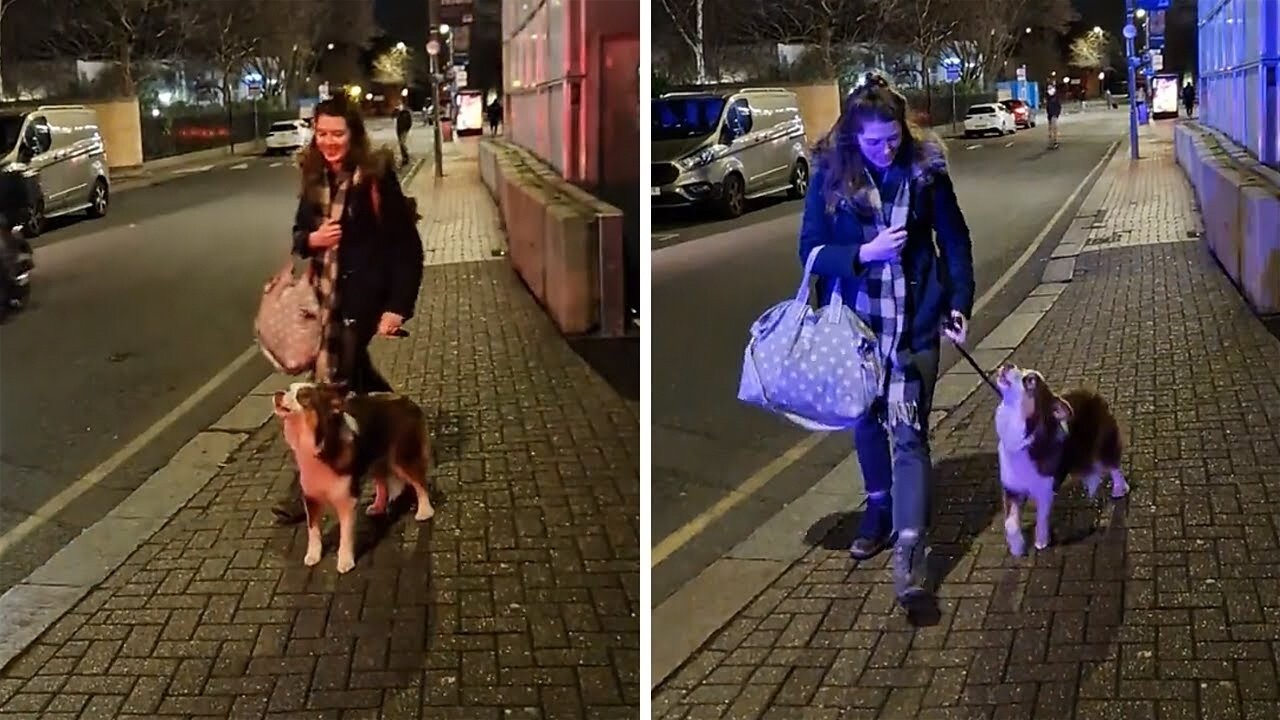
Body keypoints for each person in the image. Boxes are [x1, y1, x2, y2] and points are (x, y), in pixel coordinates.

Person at [797, 73, 975, 608]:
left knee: (908, 432)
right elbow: (810, 251)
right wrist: (864, 254)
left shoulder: (925, 172)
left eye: (892, 138)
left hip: (917, 321)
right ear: (854, 137)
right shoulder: (830, 176)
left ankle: (911, 550)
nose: (885, 149)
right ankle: (878, 506)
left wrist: (959, 302)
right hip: (856, 327)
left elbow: (955, 239)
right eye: (873, 142)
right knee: (866, 421)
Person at [271, 97, 425, 525]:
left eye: (338, 133)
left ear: (353, 134)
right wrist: (313, 241)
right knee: (359, 384)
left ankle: (307, 486)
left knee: (329, 386)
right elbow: (300, 234)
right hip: (323, 300)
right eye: (322, 133)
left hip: (360, 302)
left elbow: (406, 247)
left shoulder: (375, 179)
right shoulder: (314, 175)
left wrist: (397, 306)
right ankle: (399, 434)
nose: (330, 142)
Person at [395, 101, 413, 167]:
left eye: (399, 105)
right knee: (401, 144)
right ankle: (404, 157)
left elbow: (409, 122)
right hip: (399, 131)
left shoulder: (406, 113)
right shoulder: (399, 113)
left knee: (402, 144)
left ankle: (406, 156)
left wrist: (407, 129)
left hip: (404, 130)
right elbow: (393, 117)